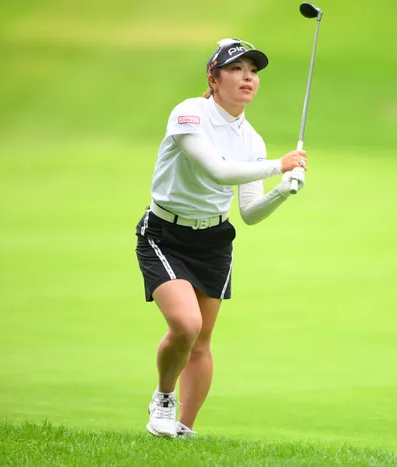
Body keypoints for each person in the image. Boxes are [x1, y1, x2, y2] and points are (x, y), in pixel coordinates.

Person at [135, 38, 308, 439]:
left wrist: (283, 190)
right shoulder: (189, 115)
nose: (248, 77)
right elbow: (216, 170)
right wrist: (278, 166)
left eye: (253, 71)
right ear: (213, 79)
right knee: (186, 324)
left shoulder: (252, 140)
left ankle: (183, 430)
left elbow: (249, 213)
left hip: (214, 240)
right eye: (236, 69)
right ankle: (164, 398)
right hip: (165, 233)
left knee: (201, 341)